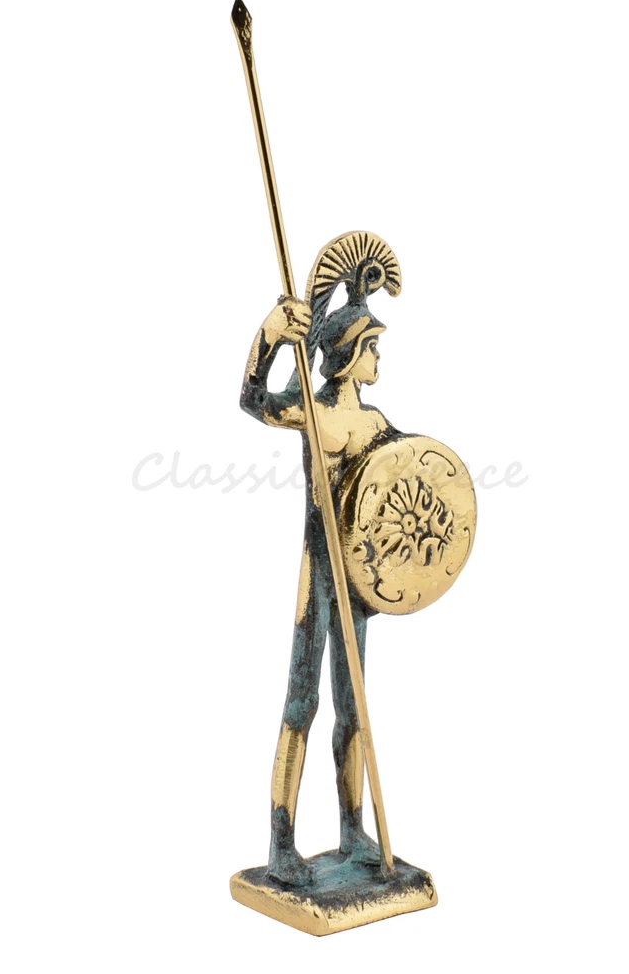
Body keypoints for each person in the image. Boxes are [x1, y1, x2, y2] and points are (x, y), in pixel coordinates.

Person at [239, 234, 401, 886]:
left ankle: (352, 831)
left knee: (354, 708)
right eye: (373, 347)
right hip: (320, 573)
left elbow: (405, 483)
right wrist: (270, 337)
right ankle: (281, 846)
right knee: (301, 705)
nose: (379, 357)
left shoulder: (377, 424)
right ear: (349, 355)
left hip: (359, 575)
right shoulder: (312, 410)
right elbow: (253, 400)